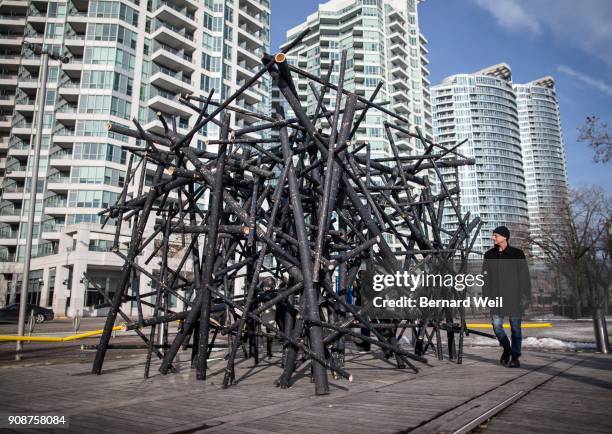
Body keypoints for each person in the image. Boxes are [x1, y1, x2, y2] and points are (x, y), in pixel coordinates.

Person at [482, 226, 531, 368]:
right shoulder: (489, 255)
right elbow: (485, 279)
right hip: (496, 298)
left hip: (514, 298)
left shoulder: (517, 254)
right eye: (493, 235)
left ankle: (515, 356)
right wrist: (486, 297)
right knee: (497, 327)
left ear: (504, 237)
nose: (493, 238)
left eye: (495, 235)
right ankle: (507, 348)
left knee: (515, 328)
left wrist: (525, 297)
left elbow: (524, 278)